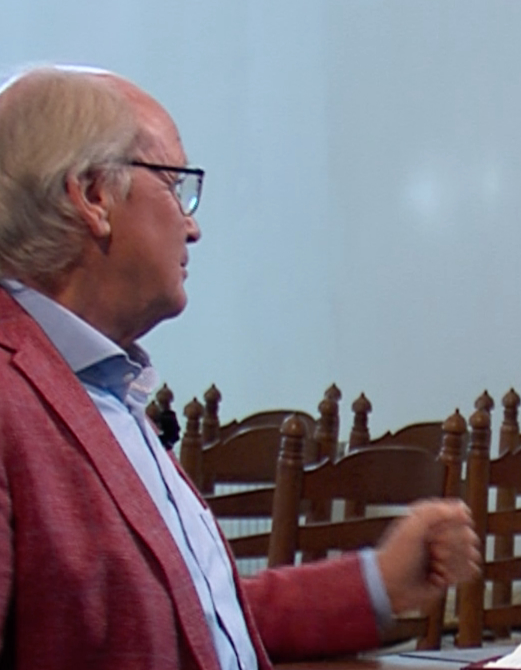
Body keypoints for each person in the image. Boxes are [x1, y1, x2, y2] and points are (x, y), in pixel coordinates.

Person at [0, 65, 480, 668]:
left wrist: (377, 581)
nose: (193, 226)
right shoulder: (13, 396)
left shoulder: (104, 385)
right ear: (94, 196)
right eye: (175, 186)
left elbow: (194, 613)